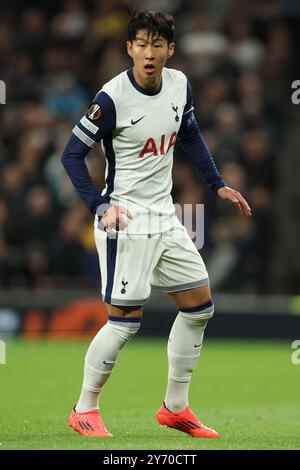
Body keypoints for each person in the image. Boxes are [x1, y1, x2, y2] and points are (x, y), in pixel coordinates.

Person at [62, 9, 251, 438]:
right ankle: (84, 408)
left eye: (157, 44)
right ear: (129, 48)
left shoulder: (179, 84)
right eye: (141, 44)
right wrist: (99, 205)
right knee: (125, 321)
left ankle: (174, 408)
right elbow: (71, 154)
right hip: (125, 218)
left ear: (171, 49)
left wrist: (217, 184)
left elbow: (189, 134)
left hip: (165, 215)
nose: (149, 53)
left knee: (200, 306)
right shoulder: (111, 98)